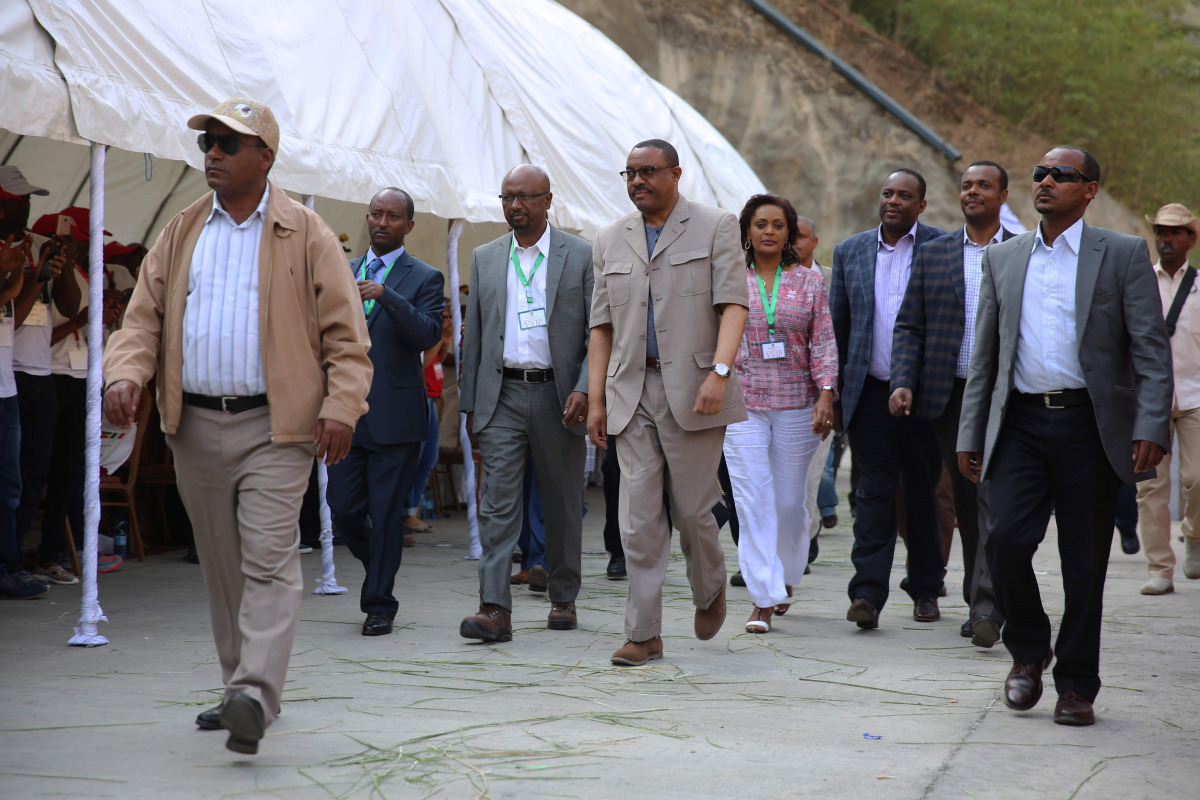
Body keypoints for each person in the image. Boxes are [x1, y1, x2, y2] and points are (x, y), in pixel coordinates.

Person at [103, 98, 372, 754]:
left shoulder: (305, 233)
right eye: (208, 143)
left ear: (266, 157)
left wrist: (340, 407)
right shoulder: (182, 229)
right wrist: (125, 371)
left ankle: (255, 692)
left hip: (276, 428)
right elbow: (142, 317)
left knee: (270, 559)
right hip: (191, 423)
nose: (213, 154)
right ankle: (236, 692)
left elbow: (345, 333)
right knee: (222, 566)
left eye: (228, 143)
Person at [957, 145, 1172, 726]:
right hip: (1020, 425)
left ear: (1091, 189)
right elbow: (986, 358)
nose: (1047, 181)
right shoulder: (1003, 258)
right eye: (1041, 174)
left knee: (1084, 567)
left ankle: (1076, 685)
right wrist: (970, 432)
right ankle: (1029, 651)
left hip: (1089, 427)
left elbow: (1150, 350)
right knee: (1000, 543)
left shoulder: (1122, 254)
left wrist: (1151, 424)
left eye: (1063, 175)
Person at [588, 139, 749, 666]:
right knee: (636, 521)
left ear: (675, 174)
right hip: (630, 393)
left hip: (696, 391)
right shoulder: (610, 240)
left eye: (648, 171)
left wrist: (719, 374)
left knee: (693, 510)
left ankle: (710, 586)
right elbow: (601, 329)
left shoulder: (717, 225)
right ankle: (644, 634)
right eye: (629, 173)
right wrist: (595, 401)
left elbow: (734, 306)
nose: (637, 181)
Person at [458, 164, 593, 642]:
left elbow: (598, 334)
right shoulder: (485, 256)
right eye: (507, 197)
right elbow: (473, 336)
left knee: (561, 503)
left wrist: (585, 387)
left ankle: (562, 597)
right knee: (498, 507)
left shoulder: (580, 255)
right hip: (503, 394)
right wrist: (469, 406)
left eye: (525, 197)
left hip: (562, 396)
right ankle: (494, 607)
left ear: (547, 199)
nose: (515, 206)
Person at [890, 161, 1016, 647]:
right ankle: (978, 599)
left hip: (1006, 396)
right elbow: (910, 324)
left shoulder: (1022, 252)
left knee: (994, 496)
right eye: (966, 185)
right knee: (965, 497)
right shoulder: (936, 253)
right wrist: (903, 380)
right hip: (950, 395)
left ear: (1003, 195)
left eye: (984, 185)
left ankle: (988, 604)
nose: (973, 191)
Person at [829, 169, 947, 629]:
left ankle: (924, 589)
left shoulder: (942, 248)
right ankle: (867, 595)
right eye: (887, 193)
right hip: (870, 394)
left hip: (925, 397)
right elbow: (839, 328)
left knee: (921, 494)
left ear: (921, 205)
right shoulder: (850, 251)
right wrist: (835, 394)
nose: (893, 201)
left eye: (905, 195)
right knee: (872, 495)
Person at [327, 187, 444, 636]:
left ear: (408, 226)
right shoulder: (345, 270)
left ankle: (379, 603)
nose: (382, 222)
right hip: (346, 413)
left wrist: (388, 295)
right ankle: (379, 562)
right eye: (376, 214)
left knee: (386, 510)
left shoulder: (425, 277)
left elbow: (426, 334)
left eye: (393, 217)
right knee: (344, 508)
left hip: (396, 417)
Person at [722, 195, 837, 634]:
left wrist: (826, 393)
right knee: (753, 500)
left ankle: (787, 575)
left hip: (798, 406)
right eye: (759, 224)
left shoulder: (809, 282)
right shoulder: (731, 278)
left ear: (789, 233)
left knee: (789, 504)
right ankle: (762, 598)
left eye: (777, 224)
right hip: (743, 405)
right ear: (747, 232)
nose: (768, 231)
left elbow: (824, 341)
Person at [1136, 203, 1200, 594]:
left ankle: (1193, 535)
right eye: (1161, 232)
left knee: (1197, 479)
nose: (1166, 239)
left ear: (1190, 239)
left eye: (1175, 232)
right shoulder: (1140, 281)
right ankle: (1160, 569)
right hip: (1149, 400)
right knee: (1150, 487)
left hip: (1195, 396)